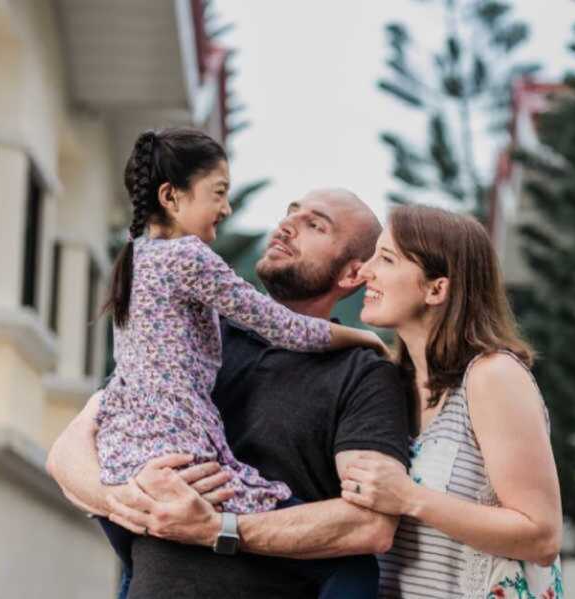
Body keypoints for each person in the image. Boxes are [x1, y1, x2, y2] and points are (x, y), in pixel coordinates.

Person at [47, 187, 411, 599]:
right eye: (291, 212)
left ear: (351, 274)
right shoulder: (196, 335)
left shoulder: (363, 374)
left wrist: (218, 529)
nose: (287, 225)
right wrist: (127, 500)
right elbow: (66, 453)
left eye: (315, 225)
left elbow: (370, 526)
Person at [339, 205, 564, 598]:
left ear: (436, 289)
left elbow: (542, 536)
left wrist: (409, 497)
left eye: (386, 259)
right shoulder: (390, 383)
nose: (365, 270)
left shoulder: (492, 377)